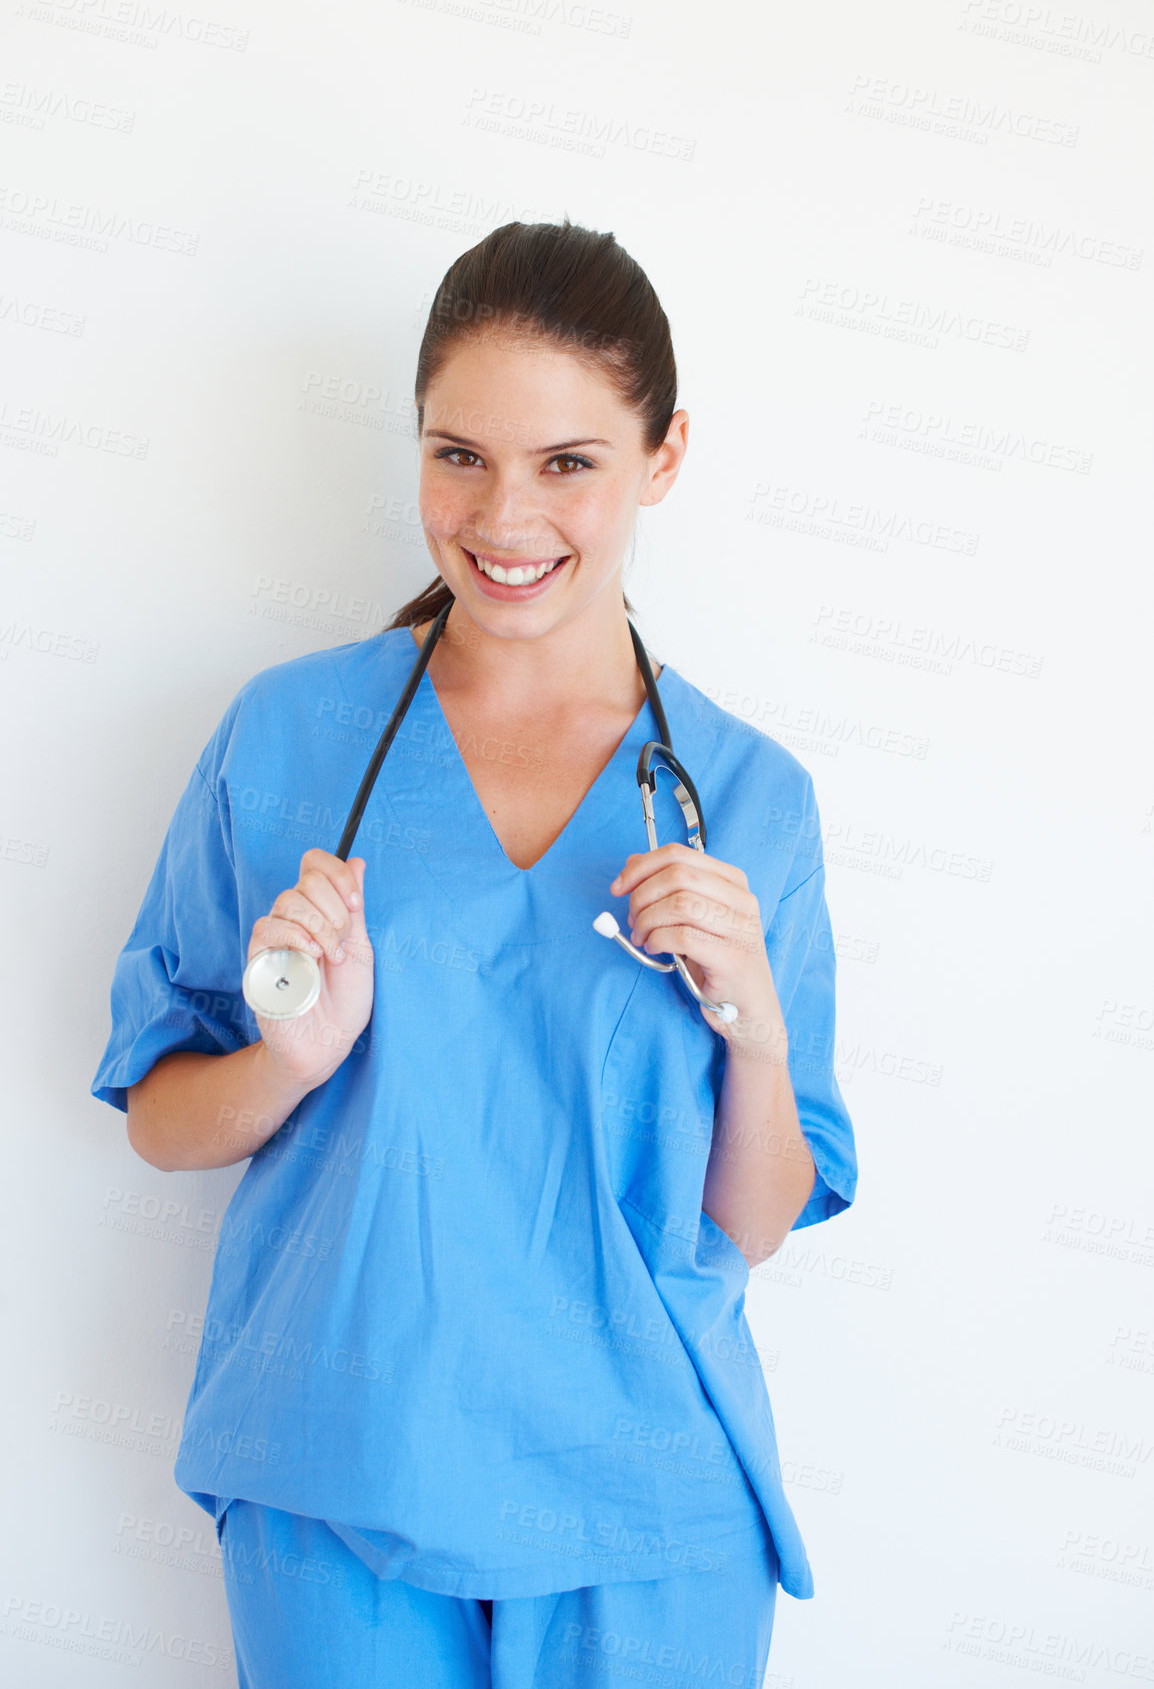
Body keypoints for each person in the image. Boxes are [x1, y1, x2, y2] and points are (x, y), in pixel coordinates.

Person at [91, 219, 858, 1688]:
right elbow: (161, 1117)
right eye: (460, 455)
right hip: (344, 1464)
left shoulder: (747, 799)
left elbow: (751, 1223)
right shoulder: (291, 737)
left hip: (649, 1500)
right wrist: (287, 1061)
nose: (505, 516)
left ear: (664, 456)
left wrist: (756, 1031)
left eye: (567, 461)